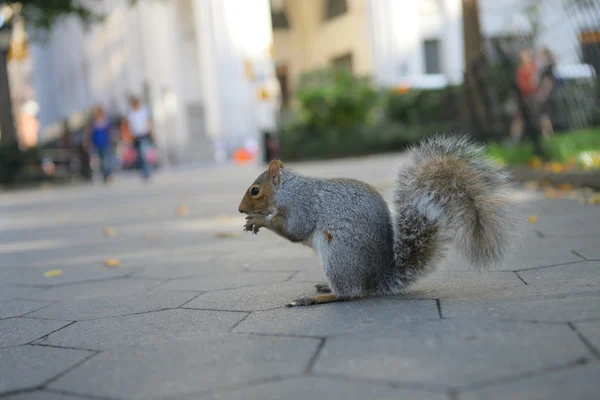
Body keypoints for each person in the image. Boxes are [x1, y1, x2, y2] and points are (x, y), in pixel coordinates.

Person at [238, 135, 519, 307]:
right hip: (365, 253)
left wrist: (264, 222)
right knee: (329, 239)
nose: (249, 203)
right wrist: (266, 219)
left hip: (358, 247)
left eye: (255, 194)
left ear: (276, 178)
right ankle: (352, 283)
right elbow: (295, 228)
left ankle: (344, 292)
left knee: (330, 238)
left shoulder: (298, 196)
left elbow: (298, 231)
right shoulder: (298, 195)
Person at [126, 96, 154, 180]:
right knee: (140, 155)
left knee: (144, 153)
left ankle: (147, 171)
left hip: (144, 134)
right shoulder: (131, 113)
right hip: (136, 136)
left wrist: (151, 132)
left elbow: (148, 122)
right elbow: (130, 125)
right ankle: (144, 171)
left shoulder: (144, 111)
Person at [89, 106, 113, 183]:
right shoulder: (93, 122)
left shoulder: (106, 121)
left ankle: (107, 175)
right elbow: (90, 133)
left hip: (105, 143)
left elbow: (110, 132)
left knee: (106, 160)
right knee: (100, 161)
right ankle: (104, 175)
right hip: (96, 144)